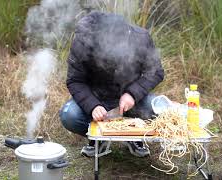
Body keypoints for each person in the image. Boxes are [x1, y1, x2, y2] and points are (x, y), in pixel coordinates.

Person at [60, 11, 164, 157]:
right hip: (97, 98)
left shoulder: (141, 38)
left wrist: (132, 94)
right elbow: (75, 80)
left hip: (134, 102)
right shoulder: (84, 40)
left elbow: (156, 72)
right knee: (69, 115)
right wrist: (93, 105)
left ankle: (134, 135)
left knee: (162, 111)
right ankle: (98, 137)